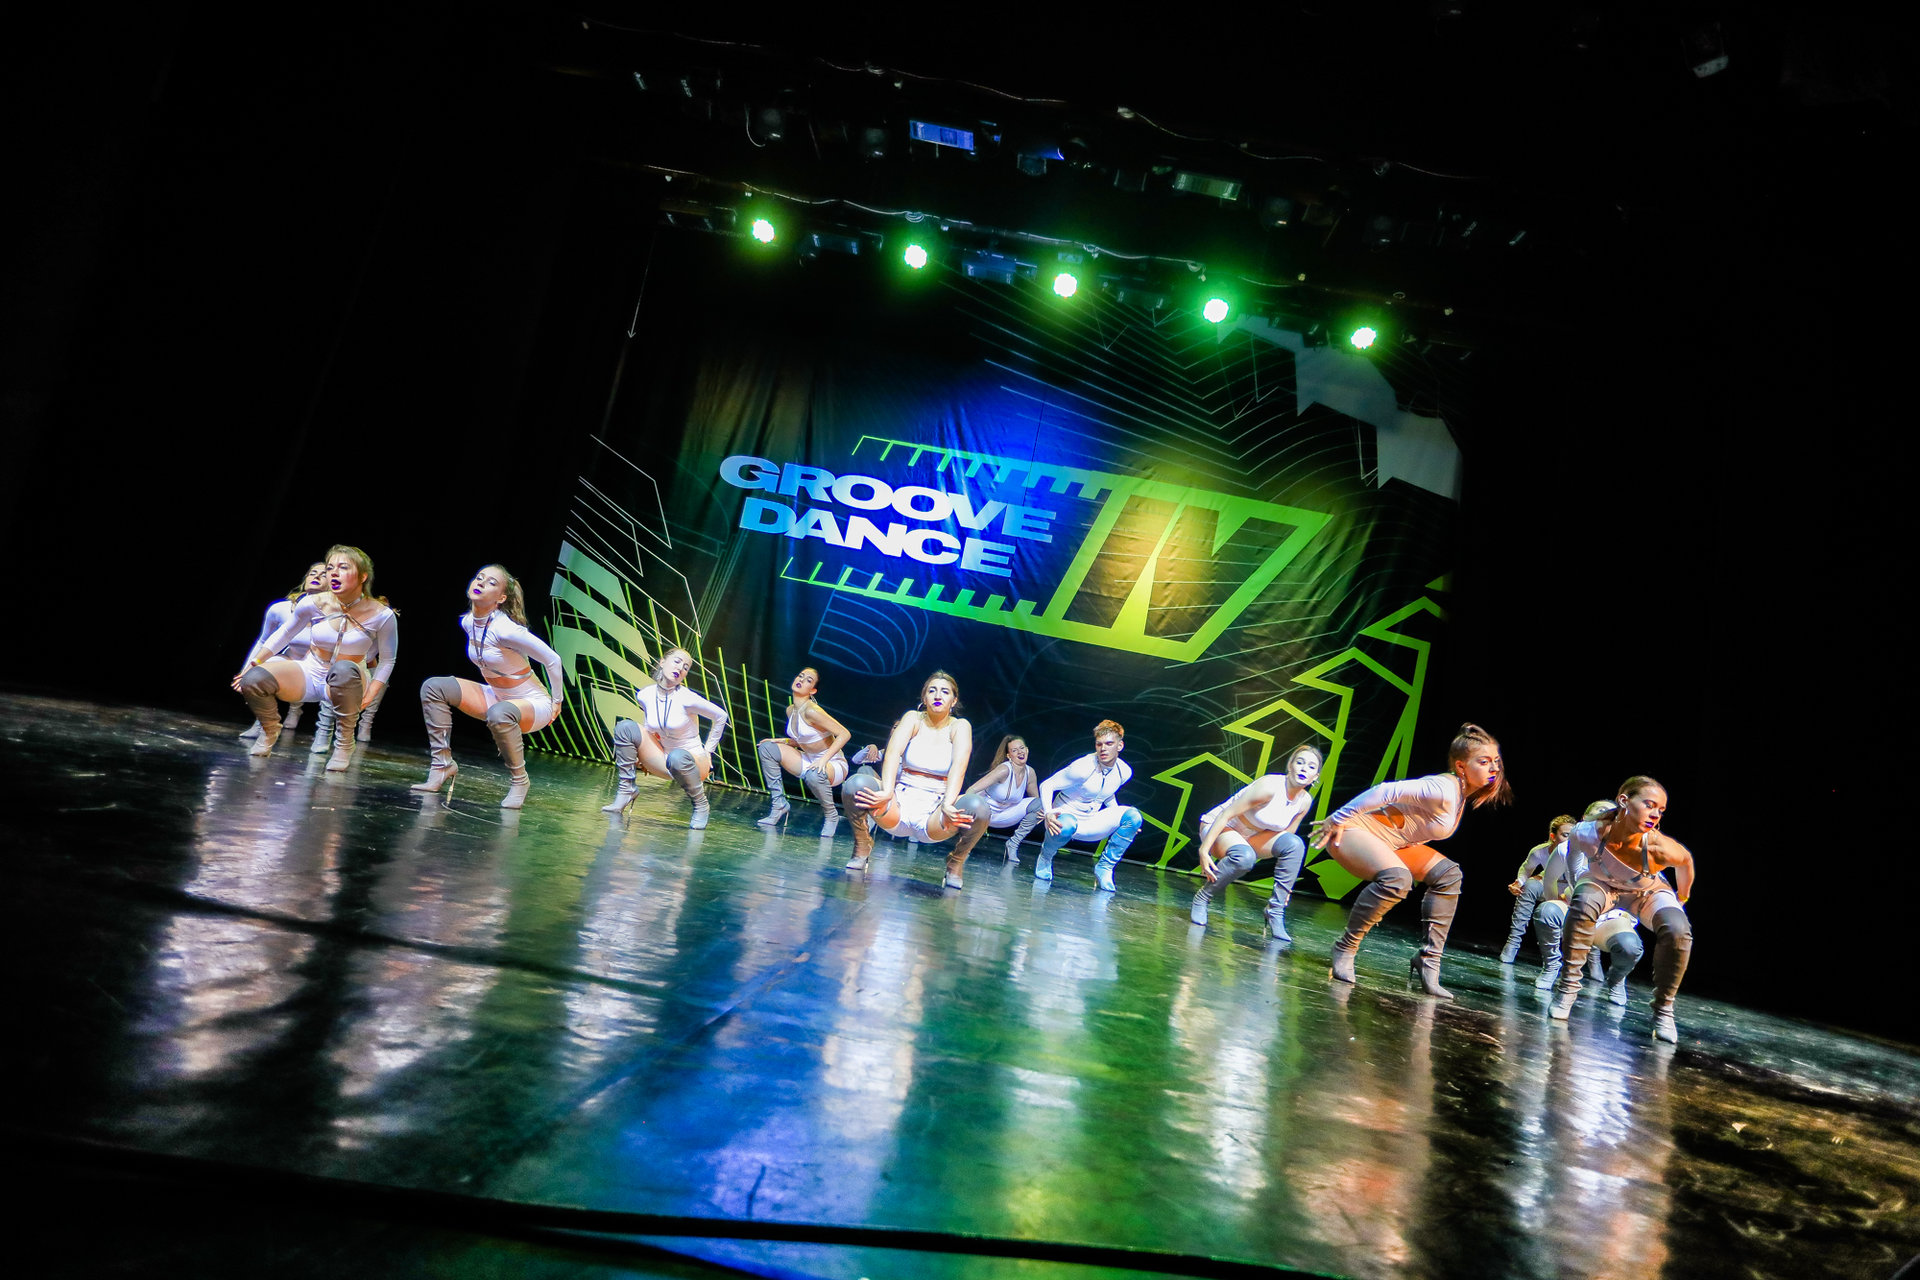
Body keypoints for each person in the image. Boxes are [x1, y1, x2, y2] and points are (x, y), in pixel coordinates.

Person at [1310, 723, 1510, 999]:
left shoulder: (1461, 794)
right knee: (1397, 879)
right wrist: (1337, 818)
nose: (1494, 768)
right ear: (1461, 767)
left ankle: (1429, 961)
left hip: (1391, 842)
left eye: (1496, 761)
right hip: (1354, 832)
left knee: (1449, 875)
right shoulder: (1443, 787)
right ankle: (1345, 947)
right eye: (1484, 762)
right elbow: (1385, 791)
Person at [1548, 776, 1697, 1043]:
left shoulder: (1658, 847)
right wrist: (1577, 880)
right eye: (1649, 805)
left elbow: (1686, 861)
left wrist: (1682, 897)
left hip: (1645, 891)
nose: (1655, 814)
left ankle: (1663, 1010)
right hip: (1603, 883)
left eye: (1661, 810)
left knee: (1678, 930)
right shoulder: (1588, 832)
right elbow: (1573, 852)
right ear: (1624, 801)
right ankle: (1568, 989)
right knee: (1583, 901)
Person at [411, 565, 565, 809]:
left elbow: (553, 660)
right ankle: (442, 765)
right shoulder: (468, 621)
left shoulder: (506, 629)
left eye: (491, 582)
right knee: (433, 687)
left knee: (499, 712)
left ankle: (520, 781)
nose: (481, 583)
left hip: (533, 703)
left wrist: (557, 701)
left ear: (501, 598)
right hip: (497, 696)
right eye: (479, 577)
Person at [236, 545, 399, 771]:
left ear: (363, 576)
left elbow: (388, 660)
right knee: (254, 679)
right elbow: (284, 634)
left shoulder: (381, 615)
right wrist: (254, 663)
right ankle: (270, 728)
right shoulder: (314, 603)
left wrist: (370, 694)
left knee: (343, 669)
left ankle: (344, 744)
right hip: (311, 671)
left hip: (348, 679)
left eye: (343, 567)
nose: (334, 573)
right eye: (330, 568)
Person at [838, 670, 991, 887]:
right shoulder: (913, 718)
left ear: (954, 700)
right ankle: (862, 845)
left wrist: (948, 803)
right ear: (924, 697)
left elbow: (960, 765)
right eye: (932, 690)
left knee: (979, 808)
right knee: (855, 784)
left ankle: (955, 862)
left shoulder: (960, 726)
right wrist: (887, 791)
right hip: (899, 802)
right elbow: (892, 753)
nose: (938, 695)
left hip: (936, 809)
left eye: (945, 692)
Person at [1187, 742, 1323, 938]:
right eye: (1299, 762)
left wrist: (1285, 890)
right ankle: (1203, 897)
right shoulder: (1270, 787)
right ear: (1290, 765)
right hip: (1221, 826)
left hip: (1252, 837)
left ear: (1315, 776)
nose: (1304, 769)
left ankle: (1275, 911)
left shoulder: (1304, 801)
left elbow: (1286, 837)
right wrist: (1203, 850)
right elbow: (1225, 815)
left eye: (1311, 766)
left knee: (1295, 845)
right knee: (1245, 857)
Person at [1004, 720, 1145, 890]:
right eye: (1099, 744)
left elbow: (1106, 792)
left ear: (1120, 746)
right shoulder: (1082, 768)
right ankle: (1046, 857)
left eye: (1109, 744)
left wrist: (1124, 823)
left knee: (1134, 817)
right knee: (1067, 824)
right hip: (1065, 820)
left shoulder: (1124, 771)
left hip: (1091, 821)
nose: (1103, 749)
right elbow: (1047, 785)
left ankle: (1105, 868)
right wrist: (1048, 812)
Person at [600, 647, 729, 828]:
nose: (680, 668)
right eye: (677, 662)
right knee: (625, 727)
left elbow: (721, 716)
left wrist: (708, 751)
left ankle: (701, 806)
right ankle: (626, 790)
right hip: (664, 758)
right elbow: (650, 727)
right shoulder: (644, 695)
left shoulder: (687, 698)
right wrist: (640, 753)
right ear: (662, 662)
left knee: (677, 756)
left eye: (686, 667)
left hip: (692, 761)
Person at [754, 667, 851, 836]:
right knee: (767, 748)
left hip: (833, 764)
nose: (801, 680)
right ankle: (779, 804)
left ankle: (831, 815)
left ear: (813, 690)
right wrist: (780, 740)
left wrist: (823, 760)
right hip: (809, 759)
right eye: (801, 676)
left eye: (808, 680)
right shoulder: (791, 710)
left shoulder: (812, 710)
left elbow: (844, 734)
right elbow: (804, 740)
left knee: (814, 774)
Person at [238, 561, 326, 742]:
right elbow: (263, 641)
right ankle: (263, 723)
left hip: (316, 666)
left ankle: (298, 710)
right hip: (290, 659)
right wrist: (247, 671)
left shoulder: (333, 614)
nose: (316, 576)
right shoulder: (280, 609)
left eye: (323, 574)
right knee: (263, 670)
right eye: (312, 573)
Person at [1501, 813, 1577, 964]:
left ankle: (1567, 954)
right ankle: (1513, 942)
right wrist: (1519, 882)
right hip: (1548, 885)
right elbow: (1526, 868)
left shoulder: (1580, 854)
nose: (1570, 840)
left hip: (1570, 890)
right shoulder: (1540, 851)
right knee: (1530, 885)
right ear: (1553, 836)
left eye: (1573, 836)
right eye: (1565, 835)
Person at [961, 734, 1040, 859]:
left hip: (1006, 815)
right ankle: (966, 844)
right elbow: (971, 790)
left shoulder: (1030, 773)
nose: (1020, 752)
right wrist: (969, 810)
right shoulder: (1004, 770)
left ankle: (1013, 844)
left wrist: (1044, 814)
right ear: (1009, 756)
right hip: (984, 813)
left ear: (1027, 750)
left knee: (1040, 805)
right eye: (1014, 750)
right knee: (973, 802)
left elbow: (1036, 801)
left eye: (1022, 748)